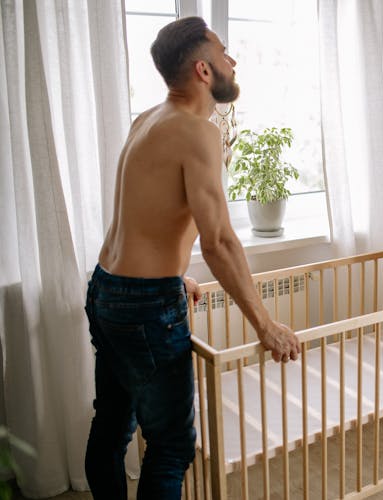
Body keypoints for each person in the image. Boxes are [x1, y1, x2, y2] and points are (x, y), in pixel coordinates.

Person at [83, 16, 300, 499]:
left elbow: (142, 214)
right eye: (224, 52)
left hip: (107, 288)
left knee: (113, 428)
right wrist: (264, 324)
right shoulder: (197, 133)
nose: (233, 60)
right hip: (143, 303)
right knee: (173, 445)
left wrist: (173, 275)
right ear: (204, 70)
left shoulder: (148, 119)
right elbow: (219, 240)